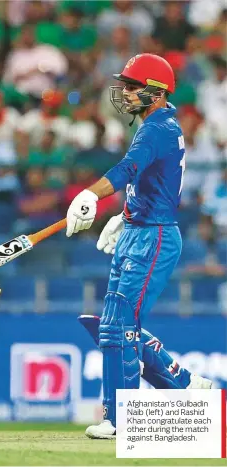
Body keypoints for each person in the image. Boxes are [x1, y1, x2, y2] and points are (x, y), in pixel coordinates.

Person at [64, 54, 212, 439]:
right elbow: (147, 182)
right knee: (116, 326)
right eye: (125, 85)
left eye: (132, 85)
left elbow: (128, 169)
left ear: (156, 92)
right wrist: (125, 215)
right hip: (141, 228)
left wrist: (91, 195)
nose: (125, 92)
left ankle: (121, 419)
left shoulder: (157, 129)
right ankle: (186, 387)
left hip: (154, 236)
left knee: (118, 327)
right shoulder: (157, 125)